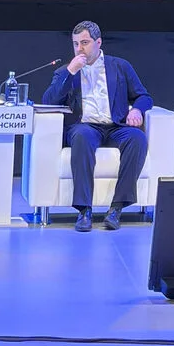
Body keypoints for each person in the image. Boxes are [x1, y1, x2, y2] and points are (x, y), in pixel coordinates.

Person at [42, 21, 153, 232]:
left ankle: (116, 208)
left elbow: (144, 96)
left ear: (98, 42)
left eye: (84, 42)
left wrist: (137, 110)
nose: (79, 48)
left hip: (116, 125)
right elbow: (49, 101)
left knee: (137, 138)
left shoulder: (120, 66)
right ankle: (84, 211)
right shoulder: (66, 71)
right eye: (75, 43)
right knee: (82, 137)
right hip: (85, 127)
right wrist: (70, 72)